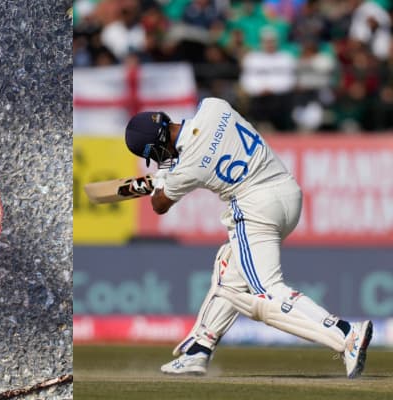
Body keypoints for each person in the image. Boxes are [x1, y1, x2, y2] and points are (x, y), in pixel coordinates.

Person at [123, 97, 373, 378]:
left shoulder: (187, 167)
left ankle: (345, 334)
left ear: (154, 150)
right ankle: (198, 351)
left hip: (255, 208)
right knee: (229, 271)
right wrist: (168, 171)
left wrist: (160, 178)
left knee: (267, 292)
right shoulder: (214, 107)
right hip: (288, 193)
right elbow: (197, 142)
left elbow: (160, 204)